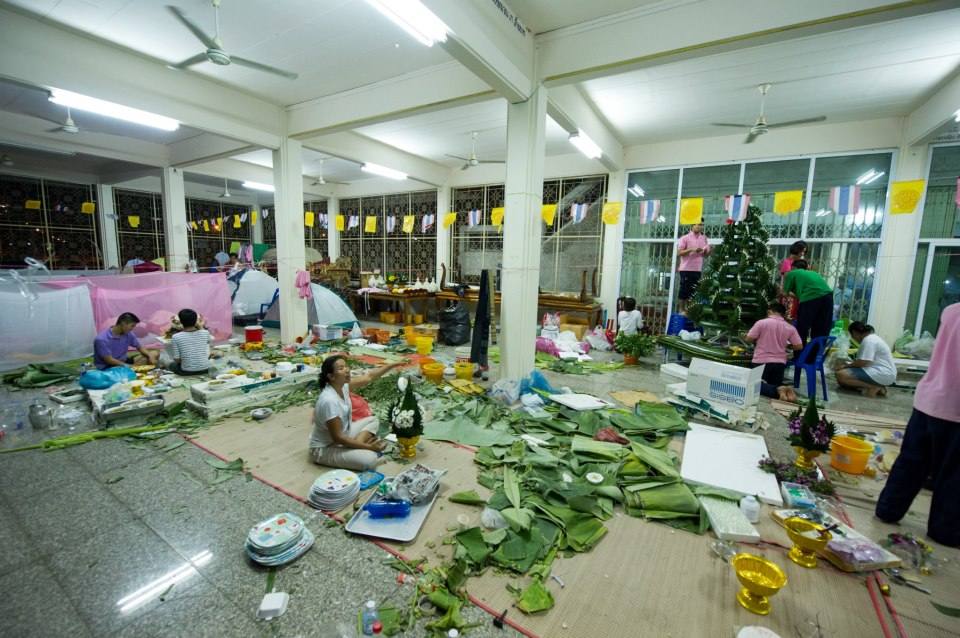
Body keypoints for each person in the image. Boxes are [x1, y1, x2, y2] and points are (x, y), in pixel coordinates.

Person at [876, 303, 959, 547]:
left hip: (928, 399)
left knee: (910, 462)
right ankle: (944, 531)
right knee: (953, 475)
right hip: (956, 409)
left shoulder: (951, 311)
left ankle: (887, 510)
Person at [310, 355, 404, 471]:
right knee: (370, 459)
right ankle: (355, 447)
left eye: (346, 366)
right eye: (341, 368)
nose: (347, 370)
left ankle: (355, 445)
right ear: (331, 376)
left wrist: (394, 364)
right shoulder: (330, 401)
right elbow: (338, 438)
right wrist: (370, 447)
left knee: (373, 420)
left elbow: (370, 376)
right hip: (324, 448)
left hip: (343, 434)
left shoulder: (342, 386)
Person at [744, 302, 802, 402]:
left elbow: (748, 339)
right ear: (783, 314)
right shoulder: (789, 327)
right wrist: (786, 345)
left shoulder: (762, 323)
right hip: (779, 364)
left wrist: (753, 339)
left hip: (761, 361)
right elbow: (799, 346)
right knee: (773, 388)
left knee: (754, 386)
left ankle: (779, 389)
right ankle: (783, 390)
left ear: (769, 311)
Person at [783, 259, 834, 355]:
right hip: (828, 298)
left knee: (802, 328)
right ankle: (813, 357)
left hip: (810, 299)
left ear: (793, 267)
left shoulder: (791, 273)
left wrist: (779, 292)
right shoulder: (814, 274)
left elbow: (784, 293)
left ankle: (799, 356)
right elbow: (806, 294)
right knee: (821, 328)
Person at [835, 322, 897, 397]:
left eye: (852, 336)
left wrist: (846, 366)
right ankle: (880, 389)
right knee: (841, 381)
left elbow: (863, 362)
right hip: (880, 372)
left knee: (841, 375)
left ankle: (873, 387)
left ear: (854, 333)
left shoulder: (869, 340)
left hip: (882, 372)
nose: (854, 339)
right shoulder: (871, 338)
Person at [93, 312, 158, 370]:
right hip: (108, 367)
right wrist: (129, 366)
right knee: (134, 367)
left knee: (154, 353)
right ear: (123, 323)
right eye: (132, 326)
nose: (132, 329)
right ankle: (133, 370)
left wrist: (150, 356)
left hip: (123, 361)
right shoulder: (101, 339)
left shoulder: (128, 333)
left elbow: (139, 347)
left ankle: (135, 369)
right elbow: (109, 360)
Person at [676, 223, 710, 312]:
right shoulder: (685, 238)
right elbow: (679, 253)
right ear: (692, 226)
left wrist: (708, 251)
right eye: (696, 224)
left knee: (694, 291)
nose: (698, 226)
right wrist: (692, 249)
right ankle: (681, 310)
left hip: (697, 269)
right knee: (684, 290)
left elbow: (705, 255)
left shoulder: (704, 238)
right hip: (686, 269)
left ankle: (689, 310)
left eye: (701, 225)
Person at [168, 309, 212, 376]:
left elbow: (177, 359)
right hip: (206, 369)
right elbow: (208, 345)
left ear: (181, 321)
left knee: (171, 365)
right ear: (196, 321)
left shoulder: (176, 337)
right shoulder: (205, 333)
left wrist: (188, 361)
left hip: (187, 371)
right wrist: (199, 325)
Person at [779, 241, 806, 321]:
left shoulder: (802, 263)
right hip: (789, 295)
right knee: (787, 319)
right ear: (796, 249)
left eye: (804, 252)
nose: (802, 254)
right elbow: (787, 279)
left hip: (797, 295)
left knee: (795, 318)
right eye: (802, 251)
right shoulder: (787, 262)